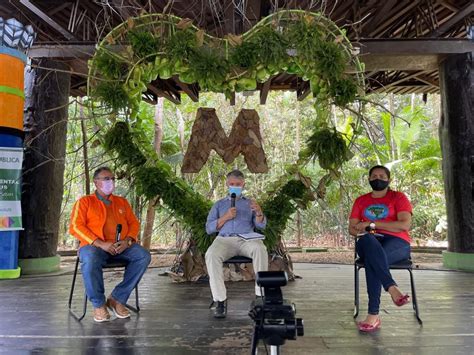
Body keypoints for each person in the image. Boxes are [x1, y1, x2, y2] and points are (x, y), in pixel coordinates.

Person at [69, 167, 151, 322]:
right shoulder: (85, 202)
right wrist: (100, 243)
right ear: (96, 182)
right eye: (106, 179)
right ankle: (99, 305)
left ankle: (117, 298)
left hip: (120, 247)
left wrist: (128, 240)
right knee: (90, 257)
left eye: (112, 179)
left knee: (143, 256)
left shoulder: (121, 202)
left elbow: (134, 223)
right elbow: (75, 226)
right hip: (93, 247)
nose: (110, 182)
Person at [349, 165, 412, 332]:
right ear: (369, 179)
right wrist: (368, 230)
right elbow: (352, 228)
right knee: (370, 243)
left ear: (388, 180)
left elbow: (404, 224)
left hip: (397, 242)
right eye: (374, 176)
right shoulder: (361, 201)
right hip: (368, 241)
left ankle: (373, 315)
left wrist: (371, 224)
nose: (378, 179)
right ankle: (392, 288)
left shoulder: (398, 197)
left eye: (382, 176)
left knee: (374, 259)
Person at [205, 169, 268, 318]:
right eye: (232, 184)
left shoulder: (250, 203)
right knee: (211, 254)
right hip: (224, 240)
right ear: (227, 184)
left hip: (247, 239)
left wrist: (259, 213)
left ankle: (261, 296)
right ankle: (220, 301)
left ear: (243, 184)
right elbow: (209, 228)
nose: (235, 186)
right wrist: (225, 217)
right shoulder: (219, 205)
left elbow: (261, 226)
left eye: (238, 184)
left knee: (260, 249)